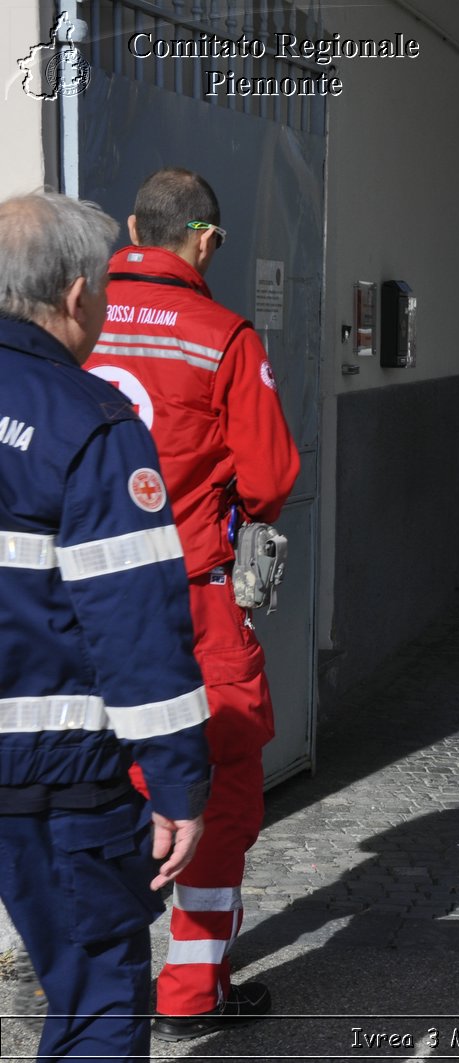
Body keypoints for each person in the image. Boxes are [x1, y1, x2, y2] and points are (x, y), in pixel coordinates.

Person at [83, 167, 300, 1040]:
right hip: (188, 599)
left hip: (80, 597)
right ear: (204, 242)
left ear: (133, 226)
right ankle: (190, 989)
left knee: (93, 779)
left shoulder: (72, 318)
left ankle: (97, 979)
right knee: (222, 776)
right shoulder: (221, 334)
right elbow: (272, 476)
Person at [0, 189, 210, 1060]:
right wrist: (178, 785)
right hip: (55, 777)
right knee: (94, 991)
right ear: (79, 295)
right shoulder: (90, 426)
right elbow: (137, 627)